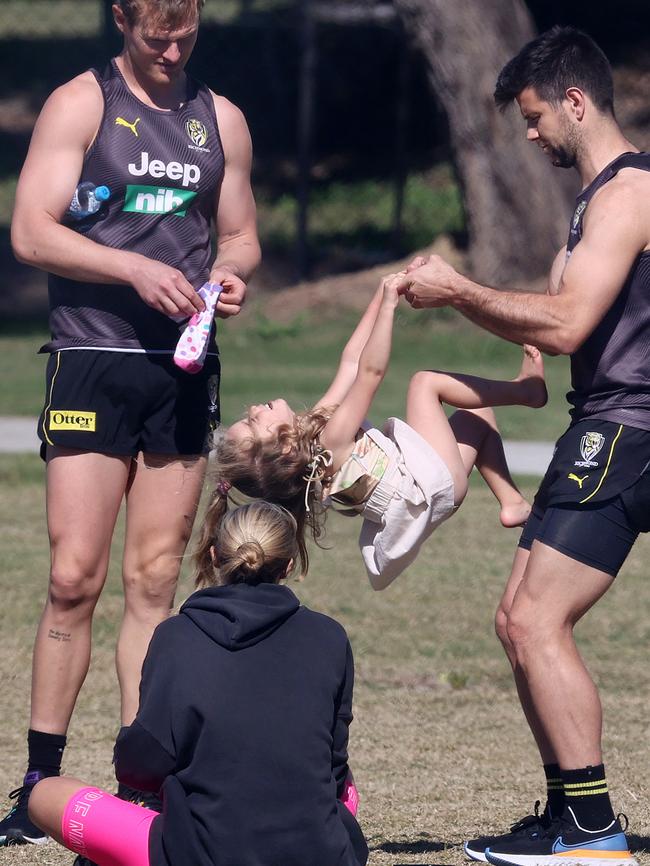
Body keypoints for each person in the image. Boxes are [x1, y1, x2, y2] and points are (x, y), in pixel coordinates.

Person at [2, 0, 260, 847]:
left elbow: (242, 234)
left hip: (181, 373)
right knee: (74, 578)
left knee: (154, 585)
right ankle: (38, 783)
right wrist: (133, 269)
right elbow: (32, 232)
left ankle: (139, 787)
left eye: (184, 33)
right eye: (156, 34)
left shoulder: (220, 118)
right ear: (122, 19)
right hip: (92, 357)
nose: (171, 48)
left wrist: (229, 274)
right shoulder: (82, 103)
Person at [393, 25, 650, 866]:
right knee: (515, 620)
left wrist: (459, 290)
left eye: (537, 117)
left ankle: (593, 832)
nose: (531, 135)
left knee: (539, 619)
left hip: (629, 427)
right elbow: (564, 320)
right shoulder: (592, 200)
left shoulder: (627, 192)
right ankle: (567, 811)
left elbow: (573, 321)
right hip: (601, 419)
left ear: (576, 101)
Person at [26, 500, 368, 866]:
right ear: (288, 564)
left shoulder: (176, 636)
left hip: (200, 850)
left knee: (45, 794)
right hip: (320, 850)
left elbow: (140, 764)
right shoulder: (329, 636)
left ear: (213, 555)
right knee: (344, 784)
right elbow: (334, 764)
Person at [213, 274, 547, 590]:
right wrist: (388, 308)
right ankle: (525, 392)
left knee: (475, 413)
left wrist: (383, 292)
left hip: (429, 494)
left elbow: (351, 363)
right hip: (428, 486)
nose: (254, 409)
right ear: (284, 448)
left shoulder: (317, 437)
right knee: (424, 383)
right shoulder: (330, 443)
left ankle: (512, 502)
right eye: (254, 421)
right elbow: (369, 373)